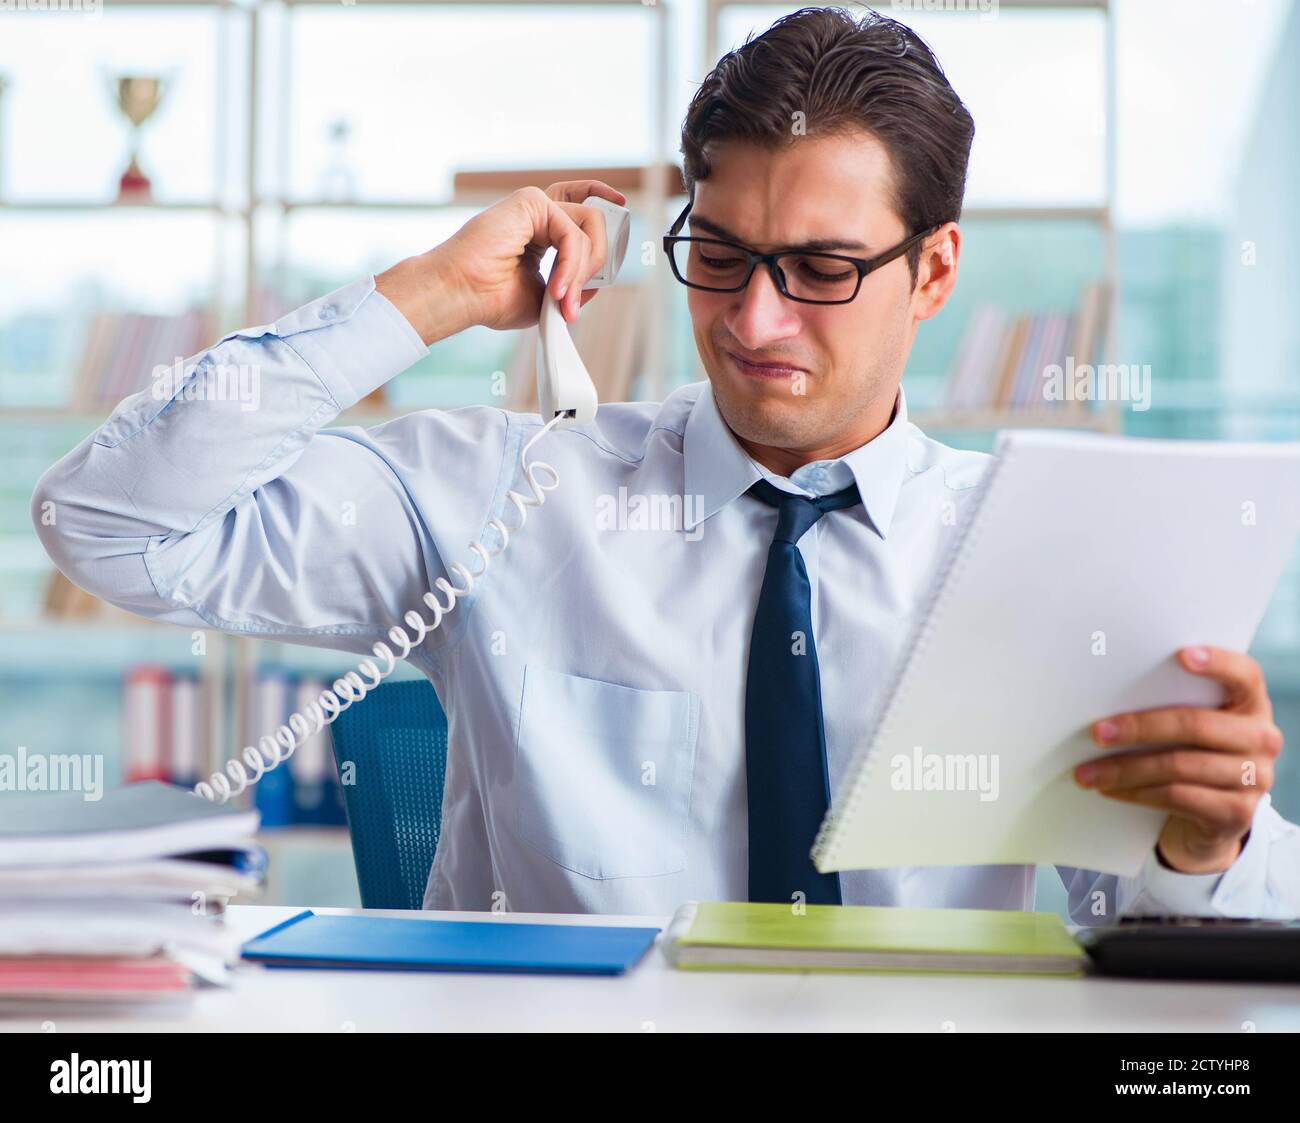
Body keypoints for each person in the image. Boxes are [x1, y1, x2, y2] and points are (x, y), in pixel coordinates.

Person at [32, 7, 1298, 918]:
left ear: (937, 273)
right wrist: (422, 296)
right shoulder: (505, 490)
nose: (754, 321)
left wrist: (1199, 847)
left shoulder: (1043, 547)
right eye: (724, 255)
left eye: (821, 269)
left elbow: (1199, 927)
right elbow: (111, 523)